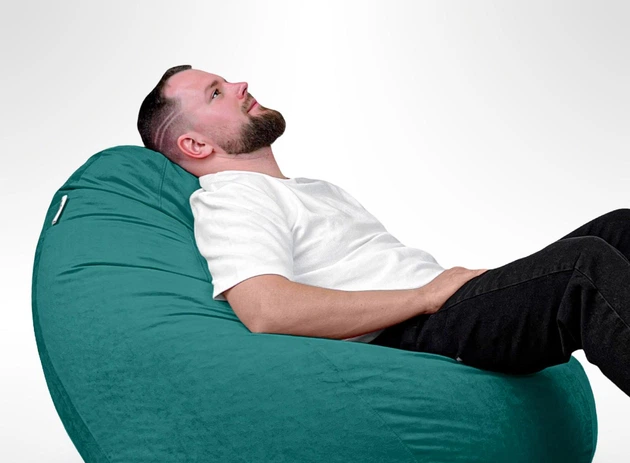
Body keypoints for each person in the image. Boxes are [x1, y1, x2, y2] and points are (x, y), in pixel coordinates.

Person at [138, 65, 630, 398]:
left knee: (620, 227)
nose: (240, 85)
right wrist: (425, 296)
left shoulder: (306, 189)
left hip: (445, 309)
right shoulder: (231, 196)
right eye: (217, 93)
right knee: (583, 266)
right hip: (414, 332)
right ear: (195, 145)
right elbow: (266, 310)